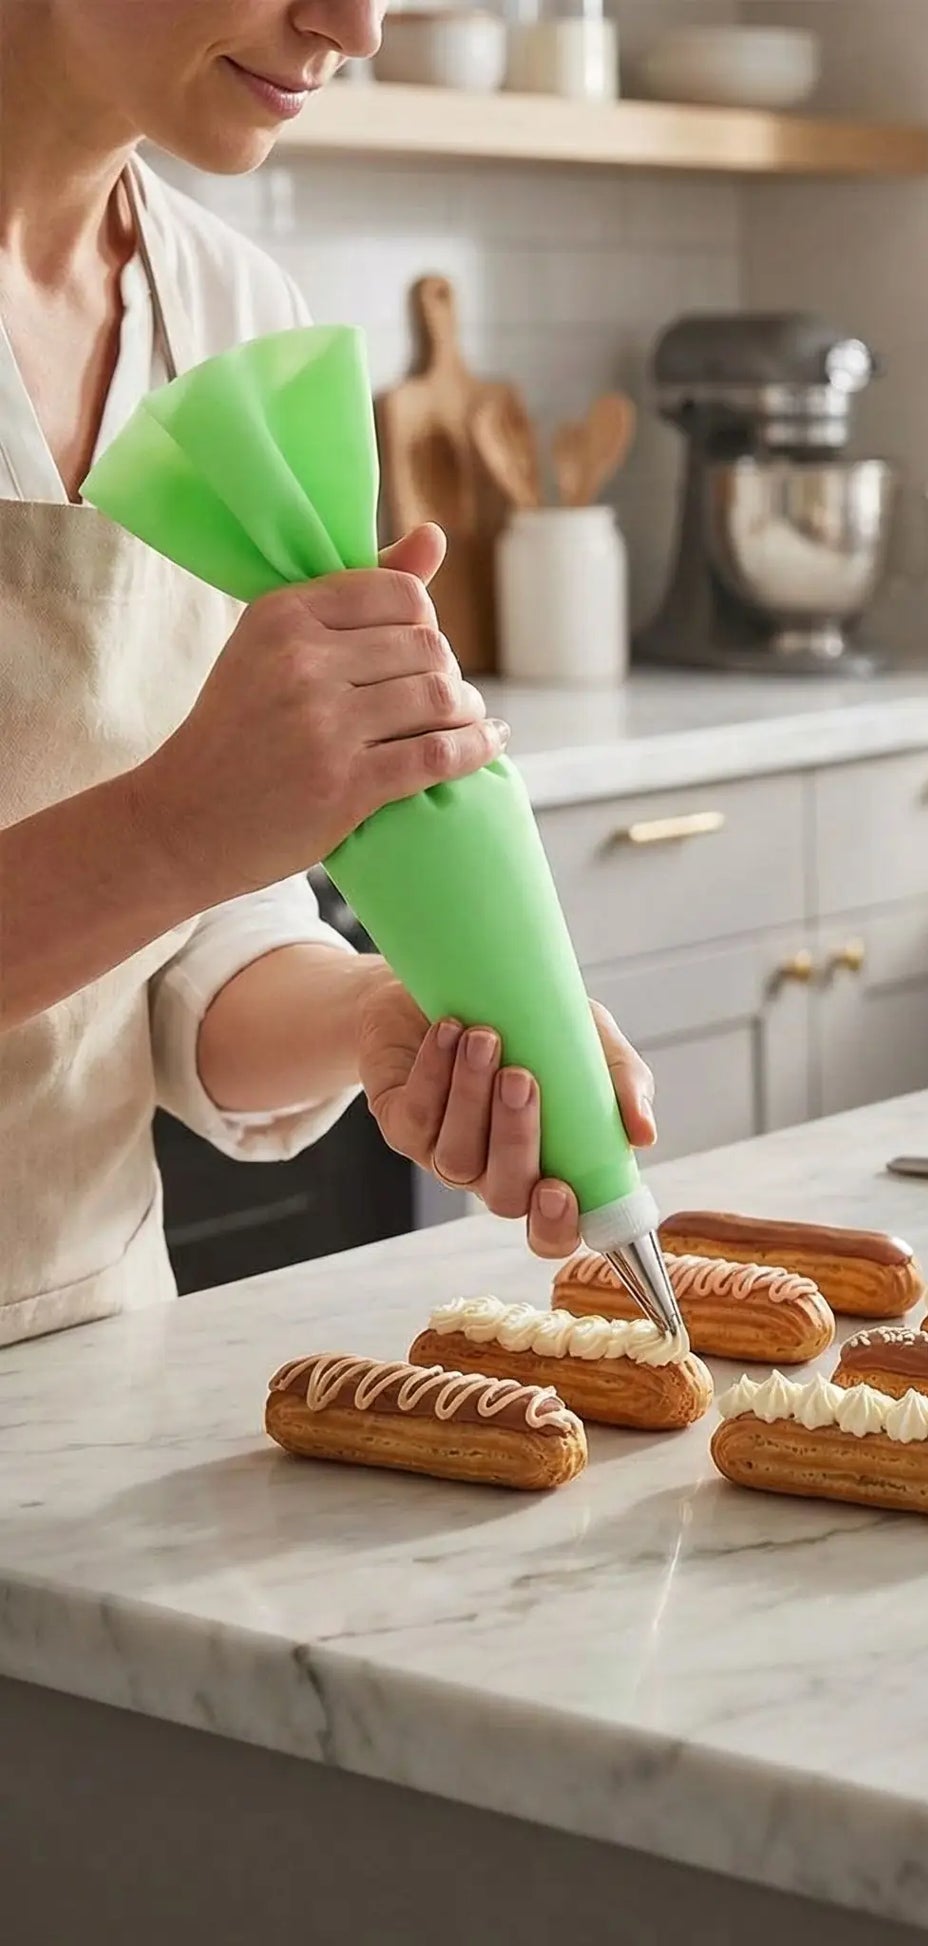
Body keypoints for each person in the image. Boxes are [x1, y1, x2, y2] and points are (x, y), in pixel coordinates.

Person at [0, 0, 656, 1347]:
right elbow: (174, 845)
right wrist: (173, 826)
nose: (351, 26)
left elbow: (197, 943)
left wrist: (376, 1014)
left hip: (86, 1363)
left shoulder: (236, 324)